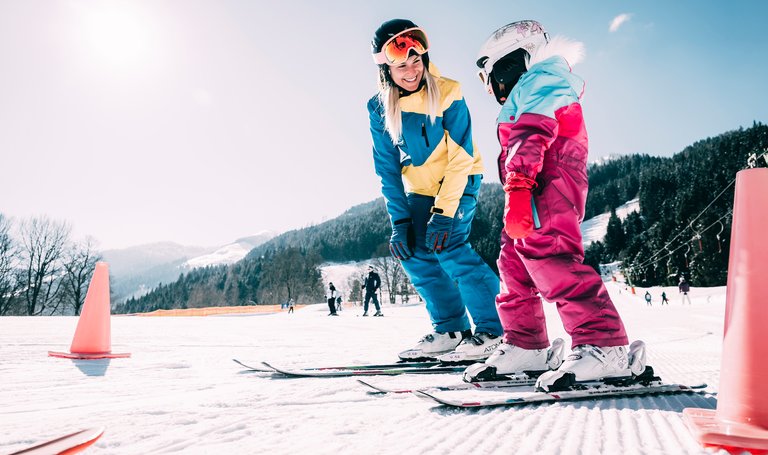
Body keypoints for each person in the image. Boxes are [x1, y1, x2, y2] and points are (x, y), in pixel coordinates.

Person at [464, 20, 634, 390]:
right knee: (513, 264)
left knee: (553, 260)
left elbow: (531, 133)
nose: (492, 87)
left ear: (509, 63)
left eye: (490, 76)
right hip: (529, 184)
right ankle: (526, 345)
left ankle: (605, 346)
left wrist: (522, 186)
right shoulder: (532, 84)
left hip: (549, 182)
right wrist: (518, 190)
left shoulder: (543, 79)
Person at [368, 19, 503, 362]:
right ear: (386, 68)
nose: (411, 70)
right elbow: (387, 168)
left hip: (460, 178)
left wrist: (444, 214)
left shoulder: (447, 92)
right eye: (400, 65)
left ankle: (495, 331)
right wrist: (400, 221)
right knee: (411, 249)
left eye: (416, 61)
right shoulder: (379, 108)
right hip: (421, 188)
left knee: (450, 246)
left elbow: (461, 156)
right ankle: (451, 329)